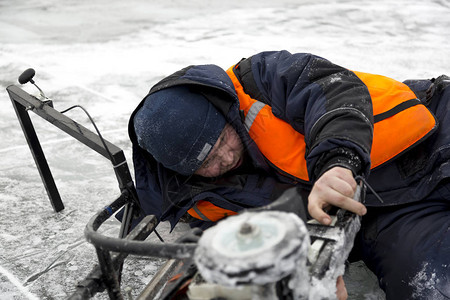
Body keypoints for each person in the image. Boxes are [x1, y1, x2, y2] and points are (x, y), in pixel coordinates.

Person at [129, 50, 449, 299]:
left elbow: (335, 93)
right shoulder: (202, 204)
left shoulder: (262, 77)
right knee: (434, 287)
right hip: (390, 218)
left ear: (221, 110)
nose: (226, 157)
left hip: (434, 134)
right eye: (208, 161)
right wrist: (314, 281)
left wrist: (337, 162)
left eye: (223, 138)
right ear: (184, 173)